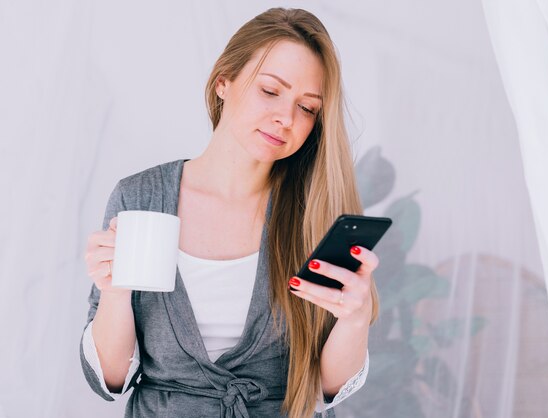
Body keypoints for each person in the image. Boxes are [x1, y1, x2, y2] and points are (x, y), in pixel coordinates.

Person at [80, 7, 380, 418]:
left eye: (307, 108)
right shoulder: (141, 197)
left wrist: (354, 319)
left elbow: (327, 388)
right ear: (224, 82)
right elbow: (111, 380)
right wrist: (115, 293)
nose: (286, 118)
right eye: (271, 91)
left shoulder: (315, 212)